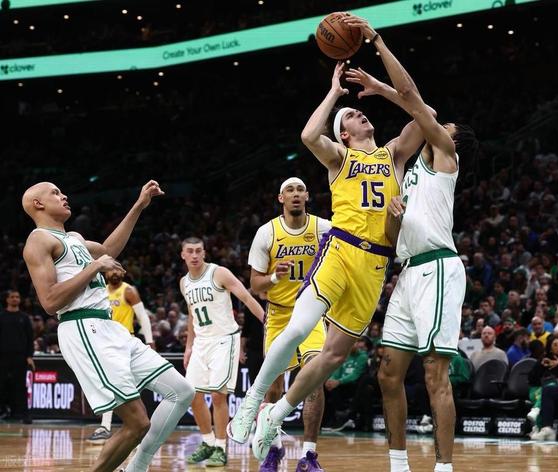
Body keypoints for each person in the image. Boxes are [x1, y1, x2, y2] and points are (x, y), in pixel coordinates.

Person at [228, 20, 427, 465]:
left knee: (334, 355)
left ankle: (276, 413)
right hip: (340, 249)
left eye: (358, 110)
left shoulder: (394, 154)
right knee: (300, 329)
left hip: (376, 265)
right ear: (344, 134)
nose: (360, 113)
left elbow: (421, 111)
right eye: (352, 116)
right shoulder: (340, 157)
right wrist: (335, 93)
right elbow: (307, 136)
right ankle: (254, 399)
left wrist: (381, 81)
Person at [341, 16, 476, 472]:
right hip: (407, 272)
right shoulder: (411, 170)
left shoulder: (446, 157)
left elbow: (416, 101)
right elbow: (394, 238)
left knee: (435, 374)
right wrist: (394, 219)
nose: (437, 125)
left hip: (437, 267)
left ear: (451, 140)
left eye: (444, 126)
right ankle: (399, 465)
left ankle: (443, 467)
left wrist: (377, 46)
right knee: (387, 372)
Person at [21, 181, 194, 472]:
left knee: (182, 391)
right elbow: (50, 301)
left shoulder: (73, 238)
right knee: (137, 422)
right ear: (38, 204)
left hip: (109, 327)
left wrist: (138, 206)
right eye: (55, 193)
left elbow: (108, 250)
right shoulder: (38, 240)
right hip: (82, 326)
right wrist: (94, 267)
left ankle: (136, 467)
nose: (64, 195)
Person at [246, 177, 330, 471]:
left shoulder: (324, 228)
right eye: (289, 191)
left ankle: (309, 456)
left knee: (314, 378)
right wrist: (274, 278)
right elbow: (255, 285)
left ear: (307, 196)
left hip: (311, 311)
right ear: (280, 198)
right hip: (279, 314)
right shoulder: (267, 232)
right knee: (273, 387)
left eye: (300, 190)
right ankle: (274, 449)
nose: (295, 194)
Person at [180, 237, 264, 467]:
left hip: (224, 339)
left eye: (198, 251)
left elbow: (246, 297)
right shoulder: (184, 282)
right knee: (192, 395)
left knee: (218, 395)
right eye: (190, 251)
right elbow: (192, 314)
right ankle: (207, 442)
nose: (195, 255)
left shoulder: (219, 273)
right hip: (201, 342)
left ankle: (220, 447)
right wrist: (188, 346)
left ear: (204, 253)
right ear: (183, 255)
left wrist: (267, 322)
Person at [87, 269, 154, 444]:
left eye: (117, 269)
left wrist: (150, 340)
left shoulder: (128, 290)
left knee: (129, 385)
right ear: (105, 273)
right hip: (104, 342)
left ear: (123, 272)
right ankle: (106, 427)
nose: (114, 273)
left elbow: (143, 317)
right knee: (109, 384)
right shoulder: (100, 291)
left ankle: (135, 425)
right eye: (111, 270)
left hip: (125, 341)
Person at [0, 290, 35, 423]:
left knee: (20, 386)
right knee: (2, 385)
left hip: (20, 357)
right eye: (12, 297)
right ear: (7, 299)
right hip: (2, 357)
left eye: (17, 297)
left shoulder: (24, 317)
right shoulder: (1, 316)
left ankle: (23, 414)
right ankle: (4, 411)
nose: (15, 299)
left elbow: (30, 338)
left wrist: (29, 356)